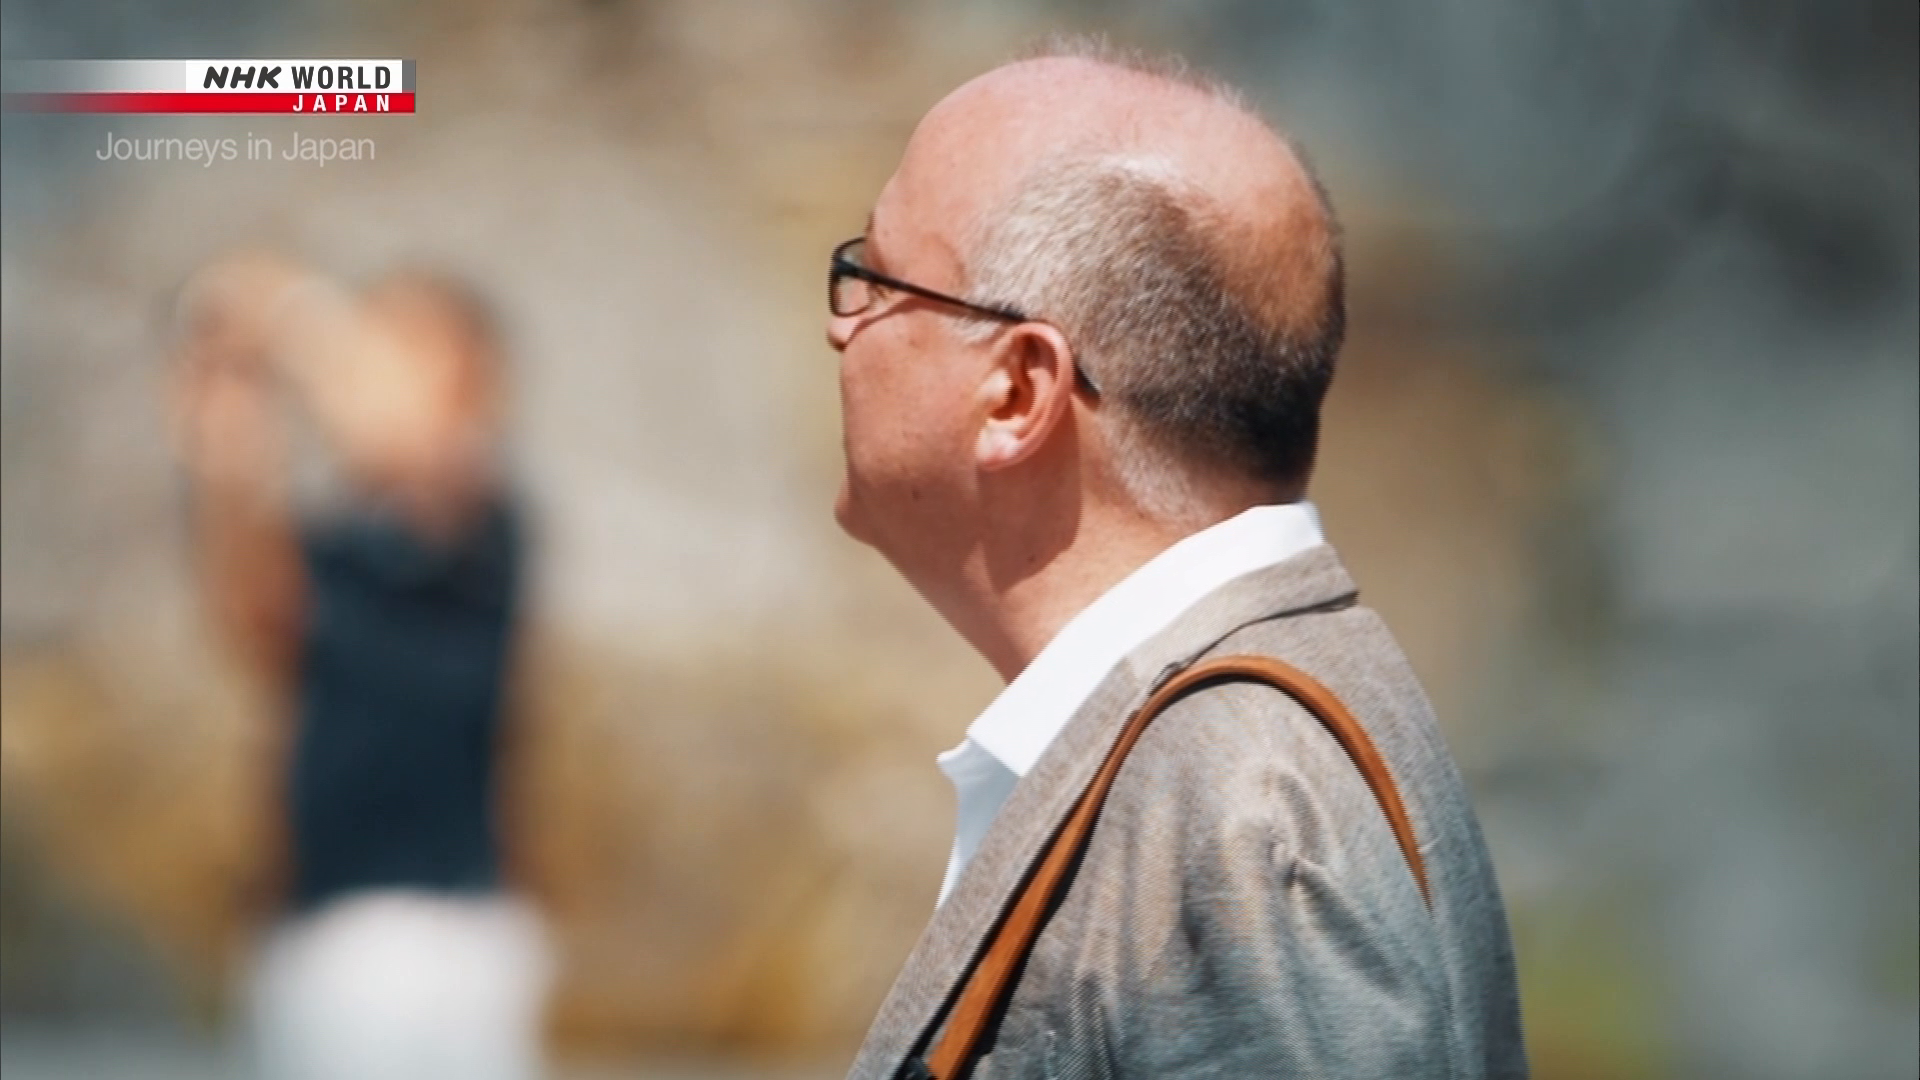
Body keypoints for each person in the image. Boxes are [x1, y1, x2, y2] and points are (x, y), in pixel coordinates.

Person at [825, 39, 1527, 1079]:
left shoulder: (1242, 812)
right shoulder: (1241, 749)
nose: (841, 330)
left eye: (874, 277)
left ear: (1017, 392)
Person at [171, 253, 551, 1080]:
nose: (367, 369)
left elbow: (405, 439)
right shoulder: (344, 544)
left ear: (472, 383)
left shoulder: (484, 521)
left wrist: (285, 313)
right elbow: (252, 615)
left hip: (439, 936)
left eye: (398, 350)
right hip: (322, 930)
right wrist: (229, 442)